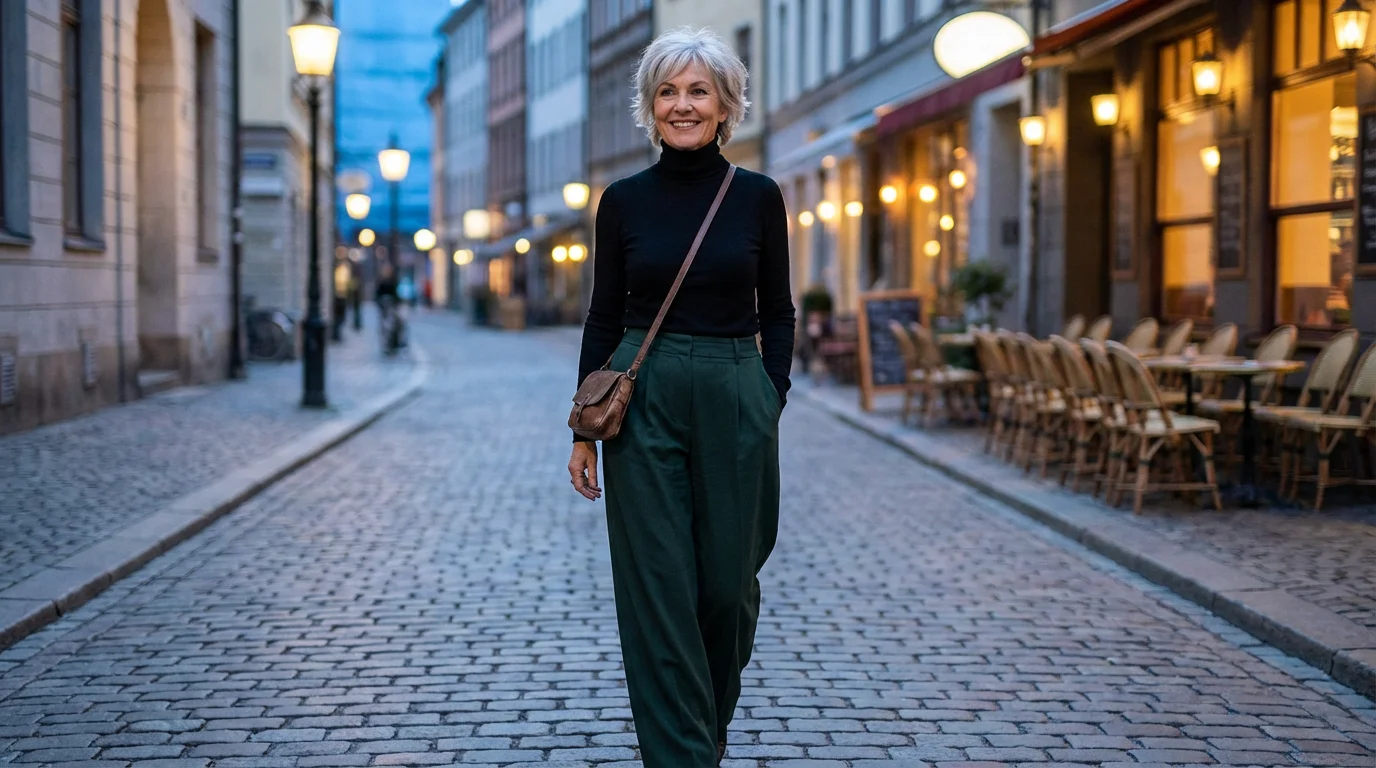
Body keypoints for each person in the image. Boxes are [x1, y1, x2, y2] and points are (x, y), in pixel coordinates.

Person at [566, 26, 794, 768]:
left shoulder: (759, 197)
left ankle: (705, 725)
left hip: (735, 386)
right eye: (668, 91)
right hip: (644, 388)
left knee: (729, 587)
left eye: (699, 90)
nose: (683, 105)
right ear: (649, 105)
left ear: (727, 105)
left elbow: (779, 309)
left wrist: (770, 394)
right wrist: (582, 429)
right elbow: (603, 314)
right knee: (658, 585)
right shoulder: (623, 201)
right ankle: (683, 756)